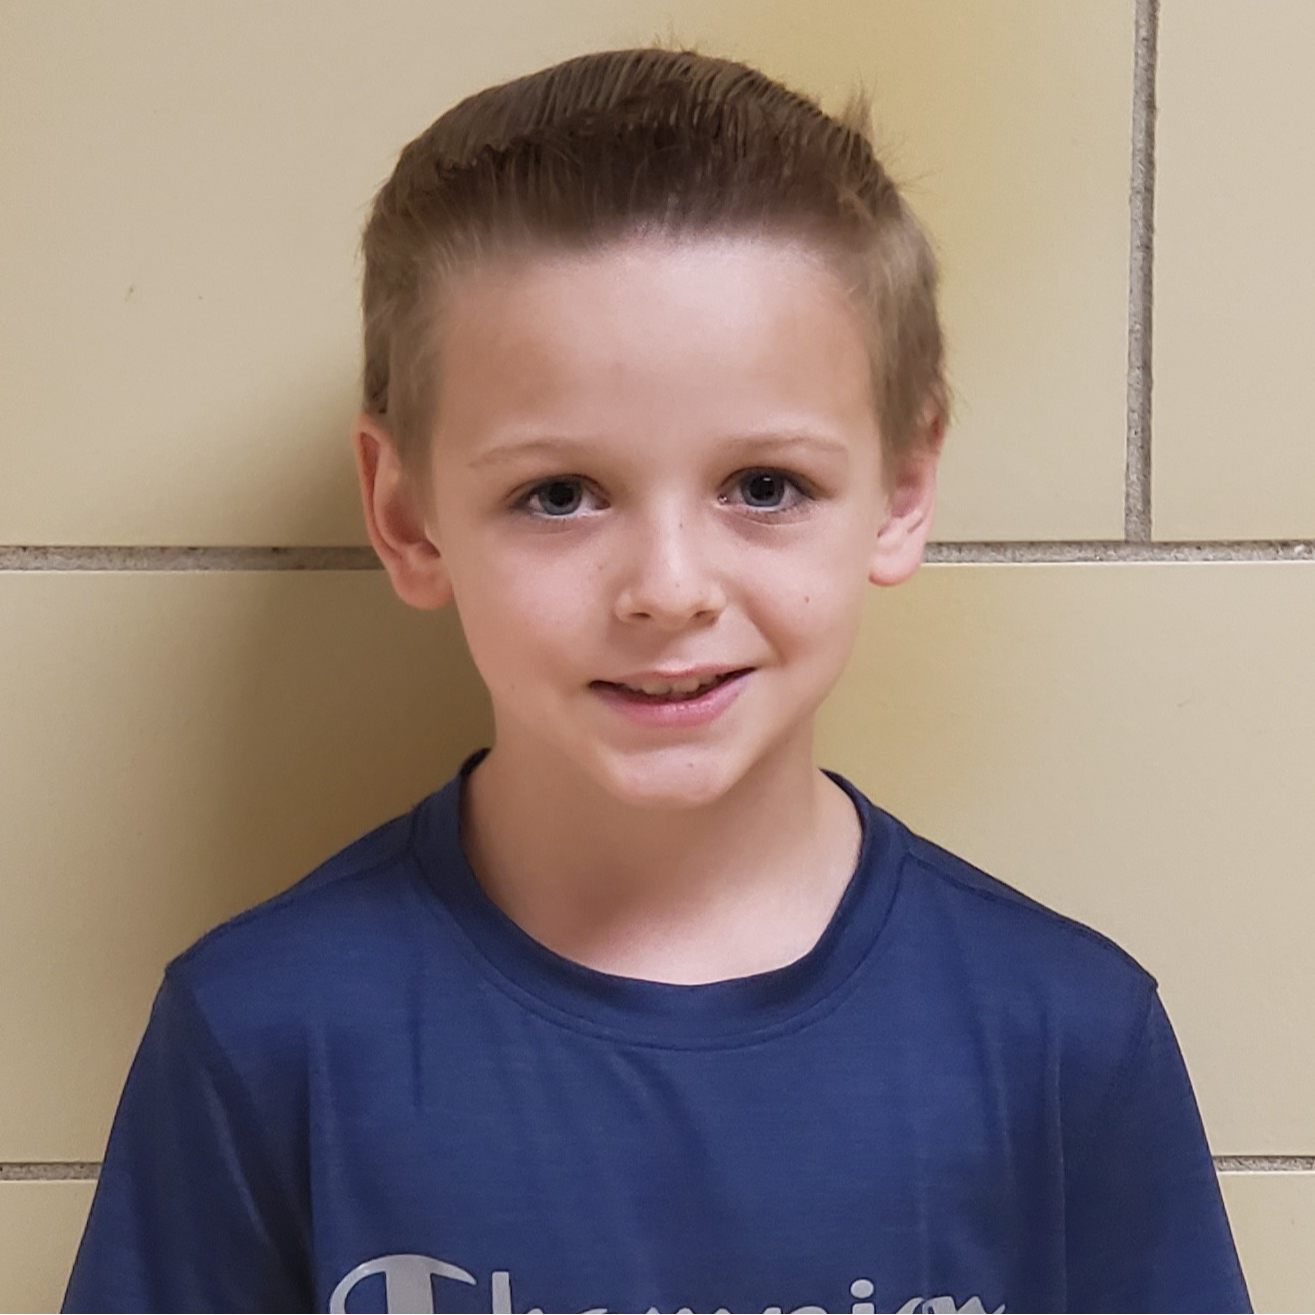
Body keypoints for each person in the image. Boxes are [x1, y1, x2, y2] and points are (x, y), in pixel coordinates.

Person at [62, 45, 1251, 1315]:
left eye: (764, 487)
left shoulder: (1065, 1042)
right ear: (407, 517)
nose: (668, 587)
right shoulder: (263, 1036)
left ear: (902, 492)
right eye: (559, 495)